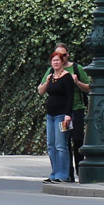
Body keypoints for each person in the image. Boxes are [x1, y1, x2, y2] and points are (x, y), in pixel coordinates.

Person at [41, 43, 89, 181]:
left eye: (62, 56)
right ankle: (65, 173)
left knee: (76, 140)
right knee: (59, 144)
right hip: (55, 113)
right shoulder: (51, 72)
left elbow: (87, 88)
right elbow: (41, 90)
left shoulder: (75, 70)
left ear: (67, 55)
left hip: (74, 110)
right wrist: (47, 82)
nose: (59, 59)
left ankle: (79, 172)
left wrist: (77, 82)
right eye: (55, 57)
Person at [37, 50, 73, 183]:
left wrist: (68, 114)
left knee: (61, 145)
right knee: (51, 145)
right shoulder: (51, 77)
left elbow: (70, 97)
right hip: (50, 115)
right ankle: (54, 173)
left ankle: (63, 175)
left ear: (62, 62)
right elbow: (41, 91)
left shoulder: (67, 77)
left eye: (58, 60)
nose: (56, 63)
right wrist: (47, 82)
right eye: (53, 60)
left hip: (62, 115)